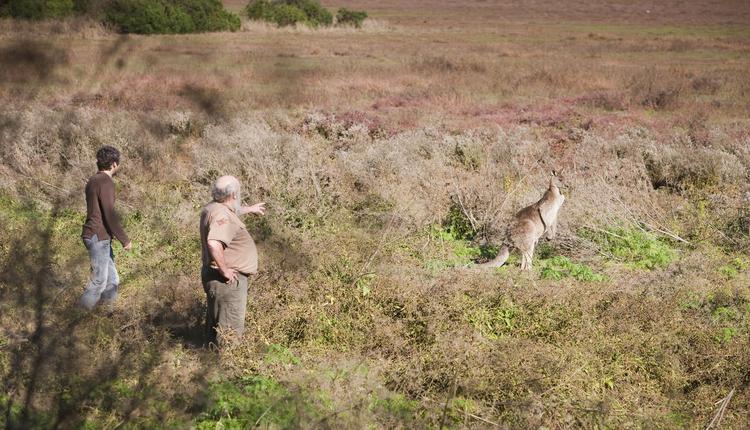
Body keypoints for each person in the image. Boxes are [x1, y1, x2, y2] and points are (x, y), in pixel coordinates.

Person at [199, 175, 266, 347]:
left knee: (216, 324)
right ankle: (228, 366)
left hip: (216, 278)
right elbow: (214, 243)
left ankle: (211, 361)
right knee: (229, 327)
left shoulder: (213, 207)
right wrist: (225, 270)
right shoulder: (223, 215)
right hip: (227, 281)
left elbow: (230, 210)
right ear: (234, 194)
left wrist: (249, 209)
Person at [79, 146, 132, 311]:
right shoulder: (105, 182)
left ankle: (106, 318)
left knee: (112, 280)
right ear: (114, 164)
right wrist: (125, 240)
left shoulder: (93, 180)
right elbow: (109, 214)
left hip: (95, 235)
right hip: (98, 236)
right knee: (99, 282)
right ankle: (75, 317)